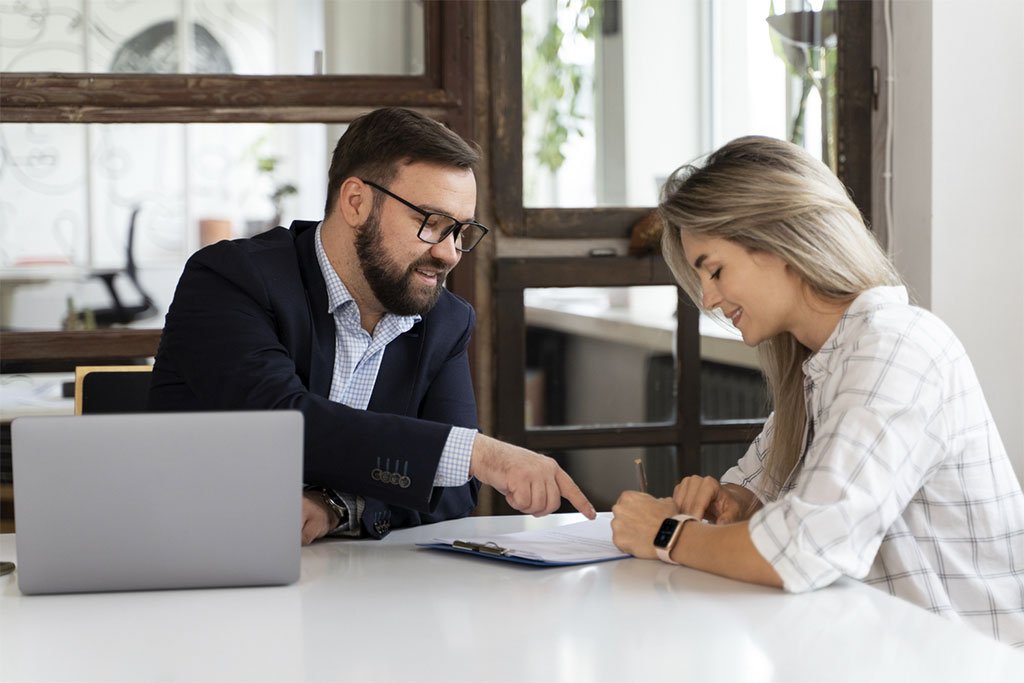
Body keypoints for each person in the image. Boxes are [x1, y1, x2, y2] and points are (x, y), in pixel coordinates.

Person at [611, 136, 1024, 647]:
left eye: (715, 270)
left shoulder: (895, 350)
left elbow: (804, 548)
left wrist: (667, 534)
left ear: (782, 242)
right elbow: (754, 491)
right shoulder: (821, 368)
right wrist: (730, 502)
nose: (711, 300)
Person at [149, 107, 595, 544]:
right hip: (194, 559)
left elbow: (457, 490)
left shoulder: (445, 320)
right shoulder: (231, 279)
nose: (449, 253)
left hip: (354, 587)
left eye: (460, 231)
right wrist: (476, 451)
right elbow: (279, 423)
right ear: (357, 202)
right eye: (431, 223)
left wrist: (339, 507)